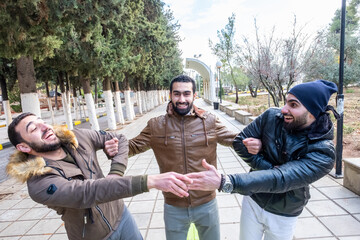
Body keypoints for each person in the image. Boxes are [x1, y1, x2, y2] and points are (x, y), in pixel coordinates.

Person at [186, 79, 339, 240]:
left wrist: (225, 181)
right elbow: (240, 142)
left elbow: (281, 178)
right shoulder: (272, 117)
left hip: (284, 211)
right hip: (254, 199)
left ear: (312, 112)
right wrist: (266, 158)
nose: (284, 109)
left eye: (293, 105)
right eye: (286, 102)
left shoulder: (323, 152)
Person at [6, 112, 192, 240]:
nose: (45, 127)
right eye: (34, 129)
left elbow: (119, 139)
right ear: (24, 147)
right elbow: (87, 192)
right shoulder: (39, 181)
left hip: (122, 216)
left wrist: (116, 171)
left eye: (42, 121)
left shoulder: (77, 137)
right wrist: (150, 181)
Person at [127, 75, 260, 240]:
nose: (181, 99)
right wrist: (109, 144)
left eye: (186, 94)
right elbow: (131, 147)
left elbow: (236, 140)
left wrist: (256, 143)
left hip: (207, 204)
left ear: (194, 95)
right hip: (173, 206)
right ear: (170, 95)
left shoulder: (209, 121)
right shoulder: (156, 125)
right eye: (176, 94)